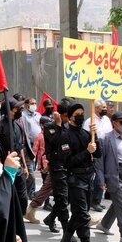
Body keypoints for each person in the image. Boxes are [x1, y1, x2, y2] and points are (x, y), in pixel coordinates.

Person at [58, 103, 103, 242]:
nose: (81, 116)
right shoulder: (65, 136)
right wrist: (86, 152)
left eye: (82, 113)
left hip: (88, 177)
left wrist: (95, 136)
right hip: (75, 179)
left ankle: (64, 241)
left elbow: (98, 153)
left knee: (78, 214)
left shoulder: (86, 134)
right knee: (83, 216)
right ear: (70, 117)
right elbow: (67, 161)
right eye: (77, 114)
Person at [96, 112, 122, 242]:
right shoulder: (106, 139)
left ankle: (104, 224)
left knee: (118, 203)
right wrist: (101, 180)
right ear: (114, 123)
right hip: (114, 174)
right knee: (121, 204)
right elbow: (99, 162)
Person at [0, 97, 30, 214]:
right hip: (5, 169)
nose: (21, 110)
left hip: (18, 168)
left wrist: (25, 166)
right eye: (18, 108)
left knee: (23, 198)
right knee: (7, 198)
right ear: (10, 110)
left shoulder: (18, 126)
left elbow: (20, 147)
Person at [41, 99, 74, 233]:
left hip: (69, 165)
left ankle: (51, 218)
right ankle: (67, 232)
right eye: (67, 116)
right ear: (60, 115)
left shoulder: (69, 127)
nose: (69, 118)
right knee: (62, 197)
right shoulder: (50, 126)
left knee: (67, 197)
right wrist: (59, 126)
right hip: (57, 166)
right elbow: (55, 142)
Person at [83, 99, 112, 212]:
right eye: (103, 107)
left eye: (105, 107)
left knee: (103, 175)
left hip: (106, 148)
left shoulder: (107, 120)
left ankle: (98, 200)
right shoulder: (90, 121)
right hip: (96, 150)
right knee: (97, 176)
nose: (105, 109)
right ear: (96, 108)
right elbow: (86, 136)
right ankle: (93, 201)